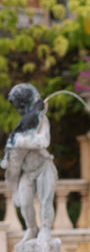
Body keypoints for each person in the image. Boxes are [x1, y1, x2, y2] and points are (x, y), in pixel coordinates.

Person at [1, 83, 58, 241]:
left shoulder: (41, 120)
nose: (19, 111)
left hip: (43, 166)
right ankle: (32, 228)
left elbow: (44, 141)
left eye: (21, 106)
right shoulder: (25, 125)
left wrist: (20, 142)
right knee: (25, 203)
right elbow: (13, 169)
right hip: (28, 171)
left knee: (45, 201)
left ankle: (45, 230)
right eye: (17, 107)